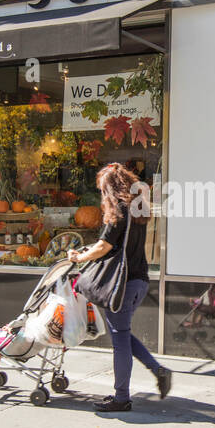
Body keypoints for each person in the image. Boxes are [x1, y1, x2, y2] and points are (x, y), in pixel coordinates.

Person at [69, 163, 170, 412]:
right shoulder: (138, 210)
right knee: (121, 333)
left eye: (102, 190)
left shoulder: (119, 211)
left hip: (120, 285)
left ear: (110, 189)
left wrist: (78, 258)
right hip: (139, 280)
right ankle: (158, 370)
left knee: (120, 341)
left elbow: (104, 247)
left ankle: (121, 398)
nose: (101, 195)